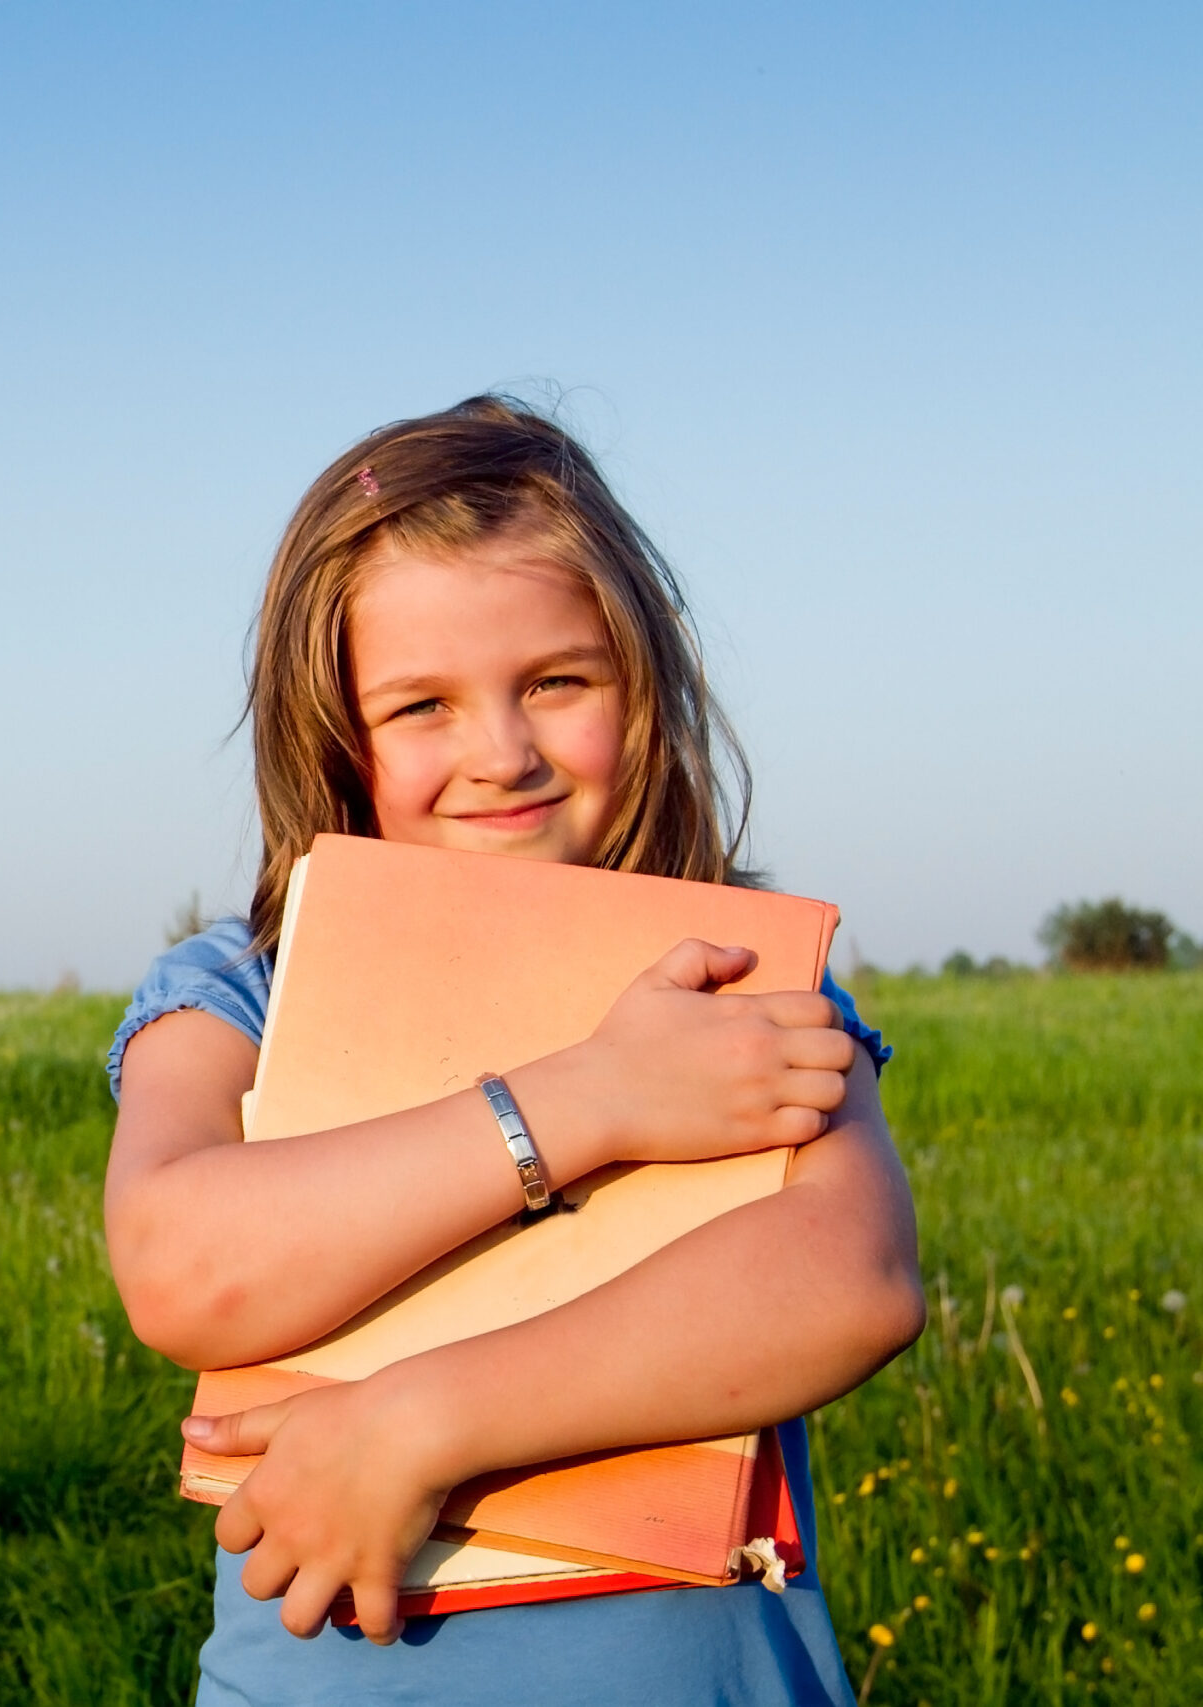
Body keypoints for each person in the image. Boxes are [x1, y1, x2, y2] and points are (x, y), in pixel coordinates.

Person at [103, 396, 924, 1706]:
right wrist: (590, 1100)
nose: (502, 753)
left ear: (638, 682)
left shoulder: (735, 976)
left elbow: (852, 1280)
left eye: (556, 681)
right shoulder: (241, 988)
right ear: (334, 733)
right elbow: (183, 1266)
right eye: (421, 704)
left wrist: (416, 1425)